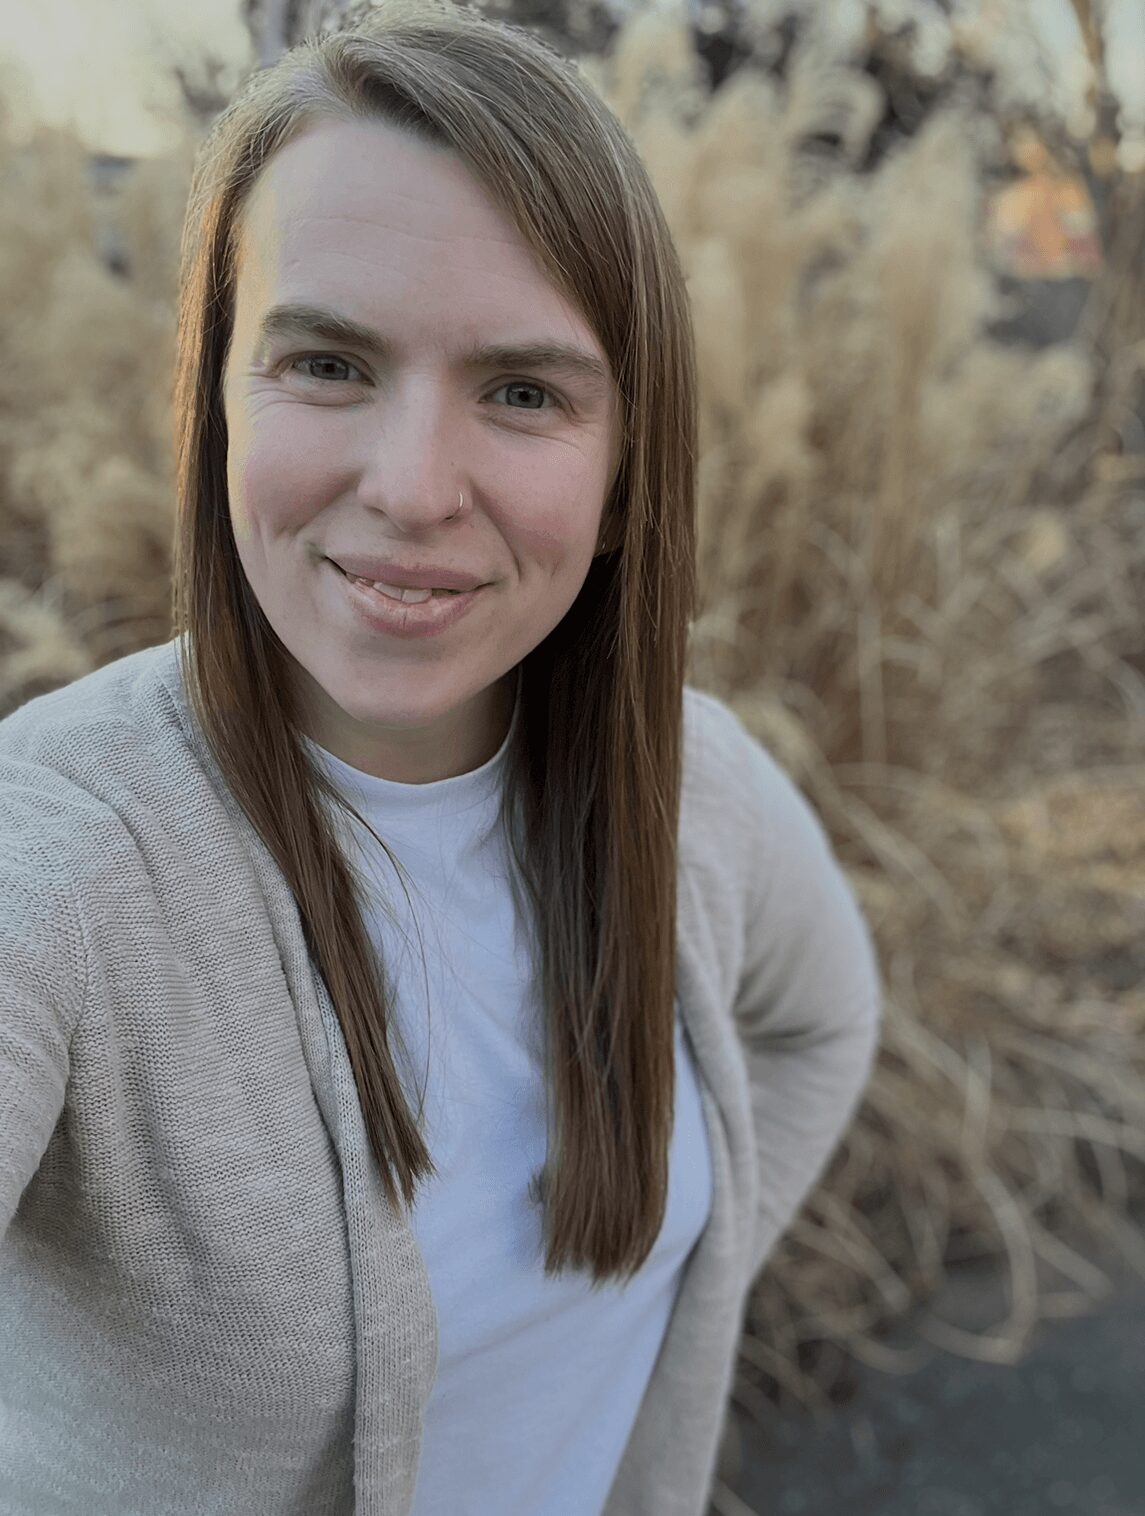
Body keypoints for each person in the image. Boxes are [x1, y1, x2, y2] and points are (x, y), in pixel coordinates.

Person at [0, 2, 882, 1512]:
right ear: (216, 403)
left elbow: (821, 1023)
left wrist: (668, 1312)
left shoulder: (695, 786)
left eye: (522, 392)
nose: (412, 489)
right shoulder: (66, 861)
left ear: (622, 476)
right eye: (329, 364)